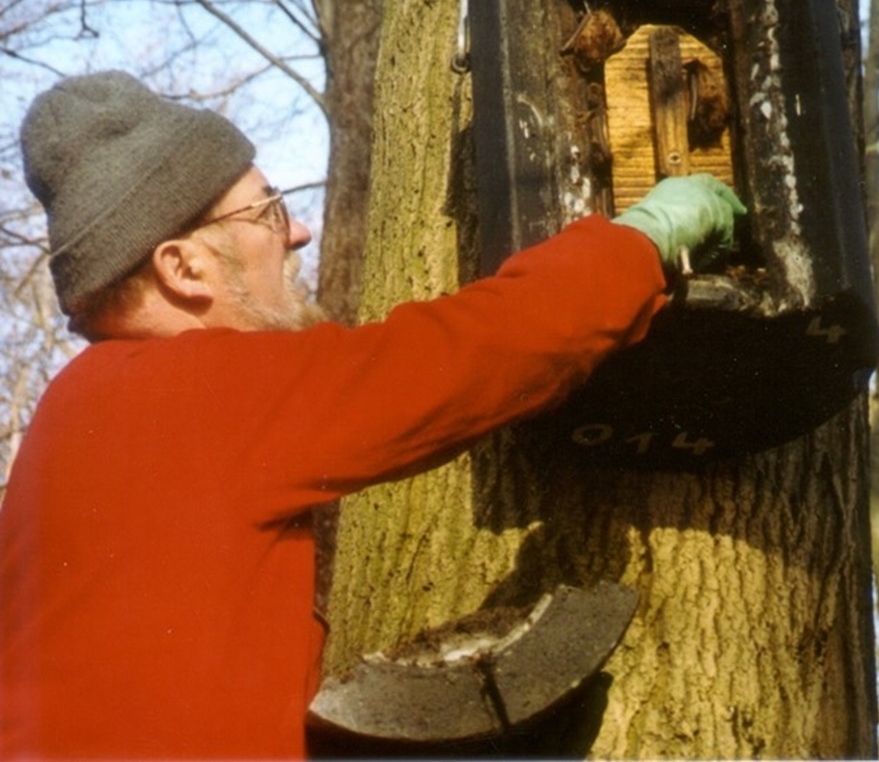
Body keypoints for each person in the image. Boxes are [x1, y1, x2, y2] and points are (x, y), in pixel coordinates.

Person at [0, 71, 745, 760]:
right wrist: (636, 244)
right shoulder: (182, 394)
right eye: (268, 211)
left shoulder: (85, 413)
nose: (298, 233)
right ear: (183, 268)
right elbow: (455, 361)